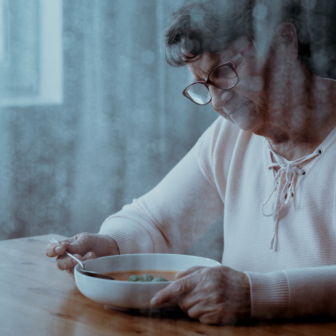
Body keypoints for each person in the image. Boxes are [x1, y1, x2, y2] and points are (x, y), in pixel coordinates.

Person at [46, 0, 336, 325]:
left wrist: (255, 295)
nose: (216, 102)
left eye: (224, 71)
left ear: (284, 43)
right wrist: (110, 246)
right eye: (205, 86)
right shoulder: (229, 138)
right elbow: (155, 220)